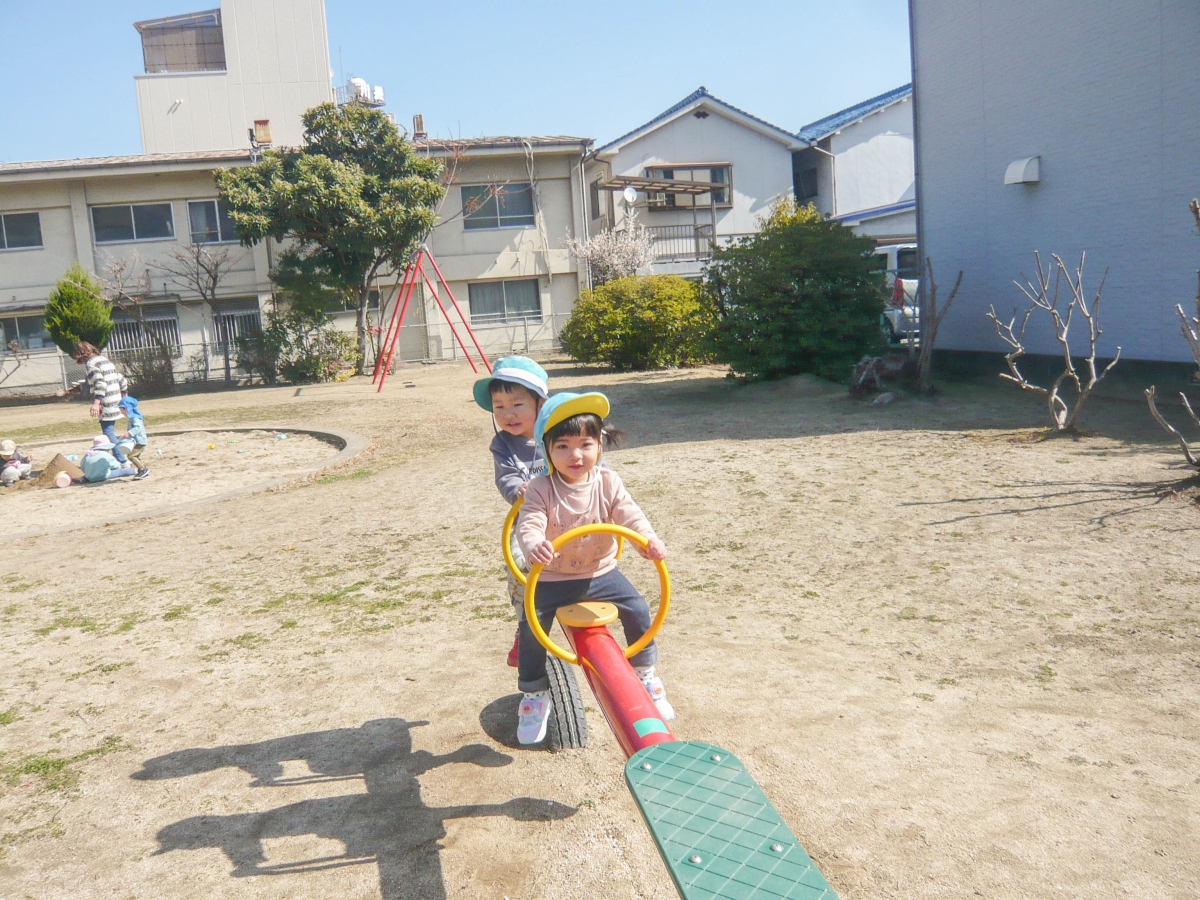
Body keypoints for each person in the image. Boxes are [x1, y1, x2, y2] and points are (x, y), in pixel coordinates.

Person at [513, 392, 673, 745]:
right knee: (531, 627)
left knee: (638, 607)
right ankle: (535, 694)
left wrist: (646, 541)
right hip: (553, 577)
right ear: (547, 450)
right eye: (563, 446)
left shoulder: (607, 482)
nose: (575, 455)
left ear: (599, 445)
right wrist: (534, 543)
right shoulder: (541, 488)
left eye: (585, 444)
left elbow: (629, 515)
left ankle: (644, 674)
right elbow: (530, 523)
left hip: (601, 573)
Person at [474, 356, 550, 668]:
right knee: (519, 564)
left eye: (517, 404)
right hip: (528, 521)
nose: (508, 414)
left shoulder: (557, 431)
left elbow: (588, 458)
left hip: (571, 517)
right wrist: (518, 487)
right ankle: (524, 626)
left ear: (540, 403)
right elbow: (505, 478)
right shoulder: (502, 444)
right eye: (499, 406)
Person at [73, 341, 129, 464]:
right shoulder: (105, 360)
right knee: (109, 432)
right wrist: (124, 394)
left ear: (80, 354)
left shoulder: (91, 364)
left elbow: (100, 383)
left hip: (106, 402)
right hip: (116, 399)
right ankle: (116, 458)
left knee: (108, 433)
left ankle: (122, 461)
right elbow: (120, 378)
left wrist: (96, 403)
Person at [117, 396, 151, 480]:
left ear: (127, 408)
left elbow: (138, 428)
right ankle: (141, 470)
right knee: (135, 456)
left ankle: (143, 470)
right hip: (138, 441)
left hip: (140, 442)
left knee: (131, 456)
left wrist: (129, 433)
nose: (122, 413)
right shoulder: (133, 418)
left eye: (122, 410)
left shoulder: (135, 418)